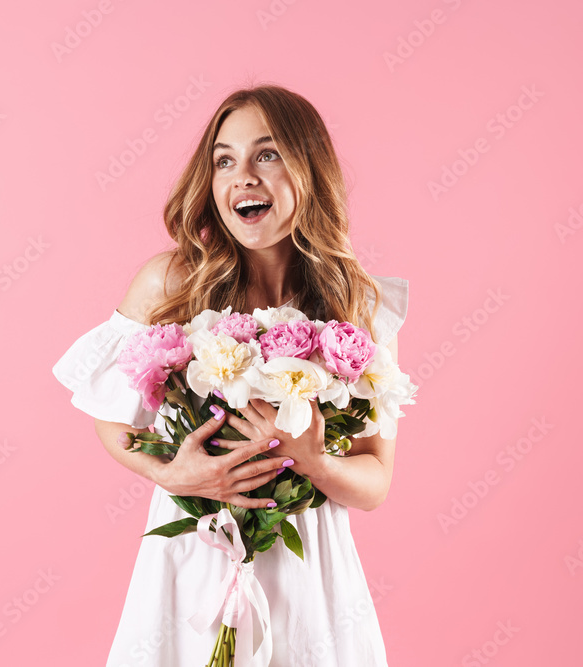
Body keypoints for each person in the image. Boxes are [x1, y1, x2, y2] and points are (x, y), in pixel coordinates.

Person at [52, 83, 409, 666]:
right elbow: (110, 419)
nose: (243, 175)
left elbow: (375, 482)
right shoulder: (170, 284)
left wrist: (314, 460)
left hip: (307, 572)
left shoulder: (357, 307)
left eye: (267, 154)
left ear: (309, 170)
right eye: (225, 160)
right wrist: (175, 474)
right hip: (194, 557)